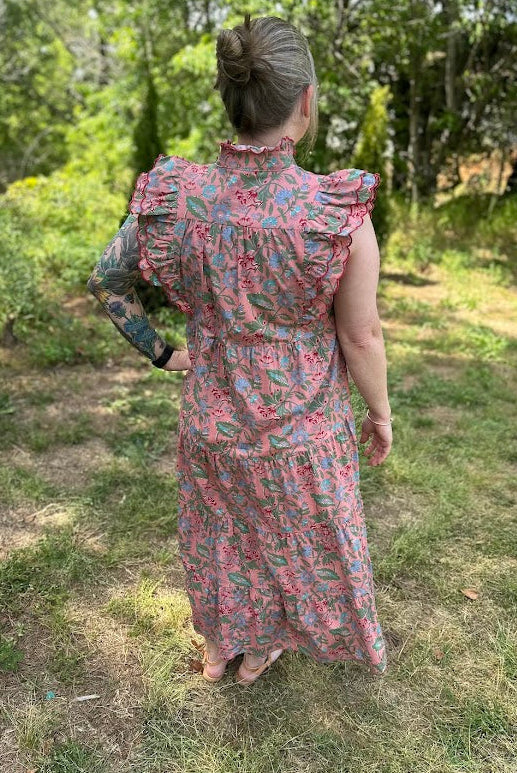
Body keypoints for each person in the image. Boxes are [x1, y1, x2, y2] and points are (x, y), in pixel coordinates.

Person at [87, 13, 392, 686]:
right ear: (305, 102)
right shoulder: (330, 215)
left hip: (212, 421)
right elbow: (359, 333)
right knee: (287, 540)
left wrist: (162, 353)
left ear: (229, 101)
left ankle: (224, 642)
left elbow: (107, 277)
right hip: (299, 428)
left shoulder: (177, 199)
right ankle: (262, 643)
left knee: (223, 536)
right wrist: (380, 413)